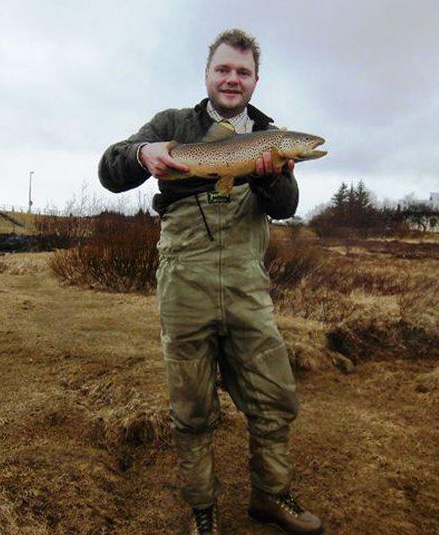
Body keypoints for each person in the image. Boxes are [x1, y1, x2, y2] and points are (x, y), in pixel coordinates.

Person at [98, 29, 324, 535]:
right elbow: (109, 170)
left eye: (243, 72)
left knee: (275, 397)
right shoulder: (174, 124)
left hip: (246, 284)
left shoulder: (270, 135)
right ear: (207, 74)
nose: (232, 79)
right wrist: (142, 155)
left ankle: (271, 497)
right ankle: (204, 510)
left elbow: (285, 207)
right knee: (192, 407)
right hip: (185, 284)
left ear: (255, 81)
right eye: (223, 69)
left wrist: (269, 174)